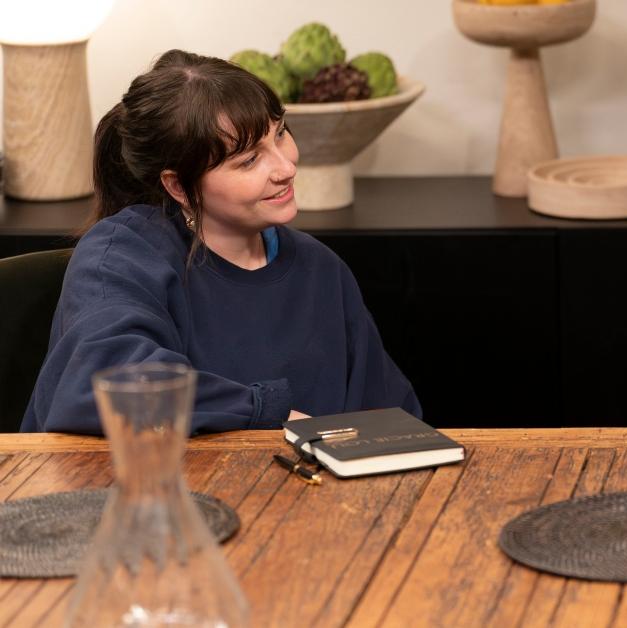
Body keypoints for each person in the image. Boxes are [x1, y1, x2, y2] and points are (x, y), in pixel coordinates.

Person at [22, 50, 421, 435]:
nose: (285, 167)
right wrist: (266, 412)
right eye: (249, 160)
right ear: (178, 185)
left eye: (280, 134)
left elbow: (392, 420)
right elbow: (105, 385)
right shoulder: (120, 256)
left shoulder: (321, 268)